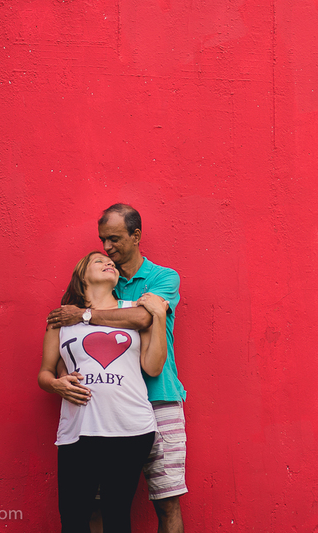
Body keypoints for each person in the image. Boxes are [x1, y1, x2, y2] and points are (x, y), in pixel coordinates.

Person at [47, 204, 188, 533]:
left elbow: (141, 317)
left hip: (159, 396)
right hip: (105, 408)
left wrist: (83, 315)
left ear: (136, 236)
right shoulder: (108, 279)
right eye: (102, 241)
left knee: (167, 500)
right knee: (97, 503)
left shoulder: (163, 277)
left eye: (114, 239)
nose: (107, 248)